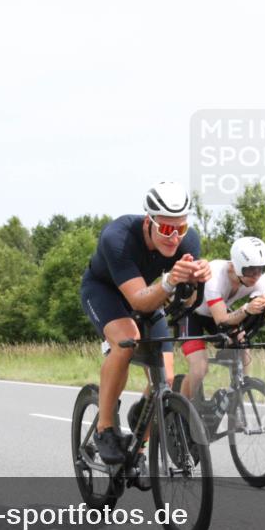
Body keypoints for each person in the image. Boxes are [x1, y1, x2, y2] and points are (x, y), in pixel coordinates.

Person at [80, 181, 211, 469]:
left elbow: (186, 305)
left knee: (165, 377)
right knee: (127, 341)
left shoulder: (189, 242)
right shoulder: (118, 237)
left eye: (181, 228)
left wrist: (196, 282)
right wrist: (169, 281)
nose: (174, 237)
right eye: (165, 229)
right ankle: (105, 428)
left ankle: (139, 447)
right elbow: (138, 301)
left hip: (150, 294)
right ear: (149, 221)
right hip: (104, 292)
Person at [179, 237, 265, 412]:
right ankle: (181, 410)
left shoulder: (261, 280)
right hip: (193, 315)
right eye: (250, 270)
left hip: (219, 310)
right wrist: (247, 308)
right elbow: (222, 320)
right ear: (237, 265)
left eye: (261, 269)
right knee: (200, 367)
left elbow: (250, 318)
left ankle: (239, 394)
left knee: (242, 342)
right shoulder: (215, 276)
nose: (256, 276)